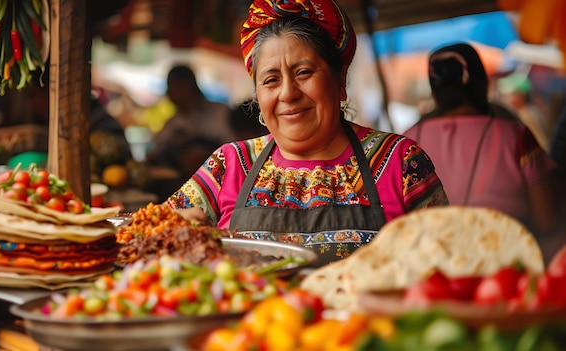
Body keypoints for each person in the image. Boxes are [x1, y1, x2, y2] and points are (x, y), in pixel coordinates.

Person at [165, 0, 448, 262]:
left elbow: (448, 264)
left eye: (303, 73)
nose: (287, 93)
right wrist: (176, 231)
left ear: (340, 81)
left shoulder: (400, 162)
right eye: (271, 80)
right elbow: (147, 236)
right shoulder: (228, 165)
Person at [403, 43, 556, 235]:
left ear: (434, 94)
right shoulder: (517, 135)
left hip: (430, 260)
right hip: (509, 255)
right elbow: (547, 219)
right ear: (483, 85)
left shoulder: (404, 142)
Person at [147, 64, 237, 178]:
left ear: (187, 85)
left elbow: (234, 148)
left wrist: (206, 156)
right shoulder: (173, 123)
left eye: (173, 87)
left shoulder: (219, 113)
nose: (169, 94)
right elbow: (154, 151)